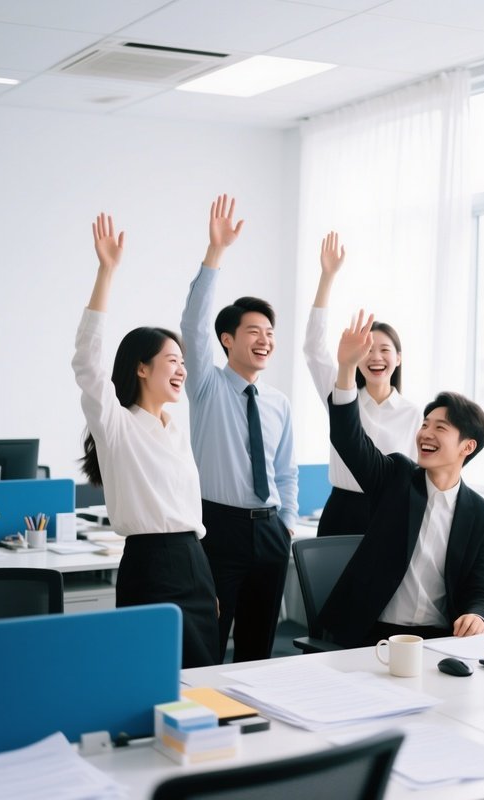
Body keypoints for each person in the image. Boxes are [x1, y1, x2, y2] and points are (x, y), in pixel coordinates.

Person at [73, 213, 219, 668]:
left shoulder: (175, 430)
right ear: (141, 367)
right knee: (154, 676)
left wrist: (206, 582)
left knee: (205, 677)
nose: (181, 369)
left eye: (183, 361)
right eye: (171, 361)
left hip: (194, 561)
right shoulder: (116, 425)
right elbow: (87, 362)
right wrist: (106, 272)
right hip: (150, 565)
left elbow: (189, 515)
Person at [318, 310, 484, 648]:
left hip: (438, 641)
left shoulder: (482, 516)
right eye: (425, 424)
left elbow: (480, 588)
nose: (425, 433)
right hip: (373, 634)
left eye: (440, 428)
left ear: (467, 446)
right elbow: (348, 440)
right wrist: (344, 368)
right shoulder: (396, 477)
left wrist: (478, 614)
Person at [180, 194, 298, 663]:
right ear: (227, 339)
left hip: (270, 532)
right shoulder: (206, 386)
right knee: (208, 639)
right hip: (218, 528)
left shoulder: (277, 402)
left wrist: (286, 524)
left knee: (259, 644)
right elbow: (192, 324)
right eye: (254, 331)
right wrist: (216, 253)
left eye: (270, 333)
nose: (265, 340)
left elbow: (286, 473)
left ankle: (253, 725)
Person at [303, 231, 421, 536]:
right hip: (342, 509)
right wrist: (327, 277)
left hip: (391, 513)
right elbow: (314, 348)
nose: (375, 357)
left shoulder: (414, 414)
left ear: (399, 358)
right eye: (368, 349)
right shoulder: (342, 395)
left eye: (384, 350)